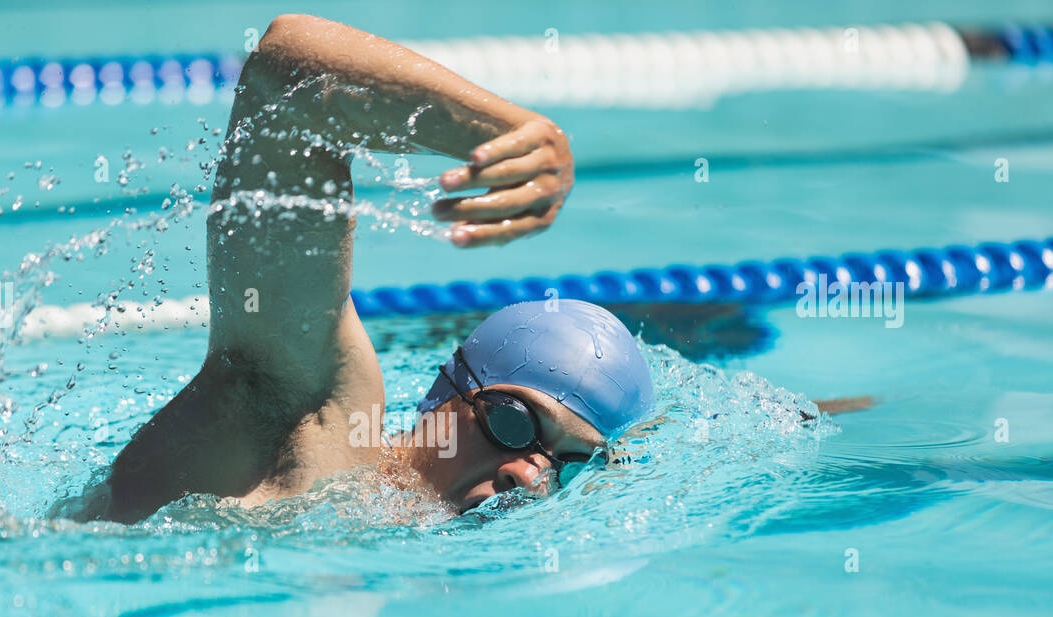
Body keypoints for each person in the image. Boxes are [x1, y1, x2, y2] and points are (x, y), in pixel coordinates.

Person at [65, 13, 656, 524]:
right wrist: (510, 132)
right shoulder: (307, 426)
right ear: (443, 395)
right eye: (512, 423)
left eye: (572, 465)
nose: (529, 478)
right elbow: (283, 80)